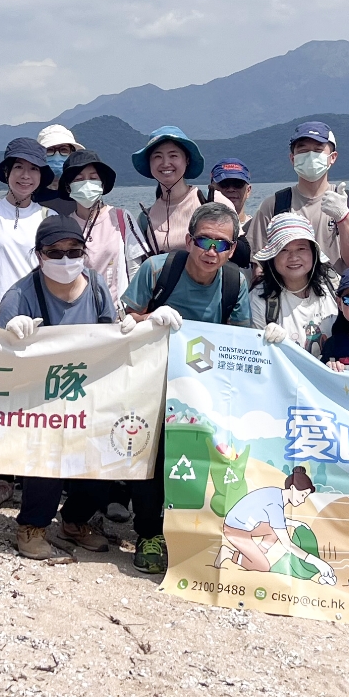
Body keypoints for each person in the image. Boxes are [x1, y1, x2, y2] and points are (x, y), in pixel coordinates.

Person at [121, 200, 252, 574]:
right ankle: (148, 533)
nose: (211, 251)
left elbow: (241, 339)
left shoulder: (235, 283)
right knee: (151, 456)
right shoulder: (157, 269)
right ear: (189, 239)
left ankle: (192, 532)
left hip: (201, 388)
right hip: (151, 381)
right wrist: (150, 319)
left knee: (198, 458)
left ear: (232, 249)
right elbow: (125, 320)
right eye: (204, 241)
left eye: (221, 244)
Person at [0, 214, 119, 560]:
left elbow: (112, 334)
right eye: (55, 252)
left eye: (73, 251)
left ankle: (74, 521)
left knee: (104, 463)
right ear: (39, 255)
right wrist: (11, 333)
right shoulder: (21, 294)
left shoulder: (96, 286)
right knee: (47, 462)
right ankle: (31, 527)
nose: (65, 259)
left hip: (88, 392)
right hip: (41, 398)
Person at [245, 122, 349, 270]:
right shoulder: (274, 204)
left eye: (318, 150)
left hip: (338, 284)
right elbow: (259, 264)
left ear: (333, 157)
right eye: (303, 150)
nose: (310, 156)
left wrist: (343, 218)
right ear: (292, 158)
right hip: (287, 285)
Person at [0, 137, 54, 317]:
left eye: (34, 169)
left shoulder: (49, 217)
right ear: (7, 172)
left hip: (38, 312)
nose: (25, 175)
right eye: (18, 167)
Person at [214, 467, 334, 583]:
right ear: (292, 487)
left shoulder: (276, 494)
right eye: (302, 495)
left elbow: (274, 519)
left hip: (247, 525)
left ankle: (258, 552)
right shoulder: (275, 504)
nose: (302, 500)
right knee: (263, 567)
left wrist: (294, 523)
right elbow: (288, 544)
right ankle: (229, 553)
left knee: (274, 531)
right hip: (234, 529)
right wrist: (318, 563)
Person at [61, 148, 143, 305]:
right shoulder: (64, 226)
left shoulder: (121, 218)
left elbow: (135, 269)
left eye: (93, 178)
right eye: (79, 179)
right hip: (78, 311)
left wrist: (134, 308)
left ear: (102, 183)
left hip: (118, 312)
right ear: (68, 186)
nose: (87, 183)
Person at [246, 212, 338, 350]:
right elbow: (254, 351)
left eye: (301, 248)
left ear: (313, 252)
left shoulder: (333, 284)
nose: (293, 257)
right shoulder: (259, 298)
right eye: (283, 250)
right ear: (272, 257)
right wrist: (265, 341)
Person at [133, 126, 209, 257]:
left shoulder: (210, 201)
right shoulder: (145, 219)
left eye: (173, 155)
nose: (165, 163)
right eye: (157, 156)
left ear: (187, 160)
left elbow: (239, 251)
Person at [209, 159, 255, 268]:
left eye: (238, 184)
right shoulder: (201, 228)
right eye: (224, 184)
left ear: (248, 191)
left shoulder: (258, 227)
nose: (231, 189)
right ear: (211, 189)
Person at [34, 124, 83, 203]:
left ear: (72, 154)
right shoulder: (28, 194)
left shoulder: (82, 194)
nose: (57, 155)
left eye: (64, 150)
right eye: (50, 150)